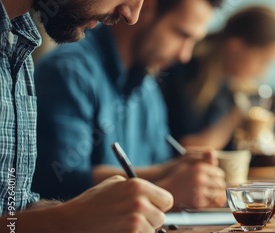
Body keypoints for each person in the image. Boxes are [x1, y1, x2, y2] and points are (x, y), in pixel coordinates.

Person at [0, 0, 176, 233]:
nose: (132, 15)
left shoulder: (17, 44)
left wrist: (88, 213)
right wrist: (67, 223)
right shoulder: (66, 65)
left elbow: (12, 212)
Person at [33, 0, 226, 209]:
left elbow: (159, 165)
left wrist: (176, 172)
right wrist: (167, 188)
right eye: (182, 35)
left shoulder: (148, 88)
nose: (184, 55)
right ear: (148, 7)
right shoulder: (68, 71)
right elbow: (59, 181)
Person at [161, 6, 275, 150]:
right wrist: (236, 117)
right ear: (236, 47)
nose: (263, 73)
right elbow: (188, 149)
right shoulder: (186, 74)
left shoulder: (231, 87)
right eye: (263, 61)